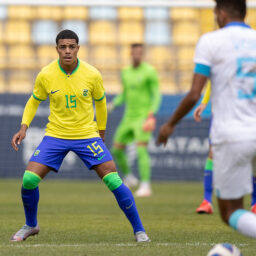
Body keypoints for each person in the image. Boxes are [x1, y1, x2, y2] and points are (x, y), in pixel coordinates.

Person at [10, 30, 150, 242]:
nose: (67, 51)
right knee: (29, 179)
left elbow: (101, 103)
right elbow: (33, 100)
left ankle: (139, 231)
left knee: (113, 180)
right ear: (57, 48)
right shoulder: (46, 74)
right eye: (63, 47)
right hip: (56, 134)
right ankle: (31, 224)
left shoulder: (91, 74)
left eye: (71, 47)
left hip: (86, 135)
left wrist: (100, 133)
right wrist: (24, 126)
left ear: (78, 48)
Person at [157, 0, 256, 238]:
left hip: (232, 136)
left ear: (220, 14)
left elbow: (194, 93)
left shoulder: (210, 41)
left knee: (230, 211)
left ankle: (208, 201)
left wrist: (170, 124)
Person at [195, 83, 256, 214]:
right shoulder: (221, 63)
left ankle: (254, 203)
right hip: (221, 114)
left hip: (246, 113)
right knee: (212, 153)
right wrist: (204, 103)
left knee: (252, 154)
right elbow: (212, 81)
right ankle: (207, 201)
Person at [109, 44, 161, 197]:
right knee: (116, 149)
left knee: (141, 149)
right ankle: (130, 177)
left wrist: (151, 115)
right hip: (128, 117)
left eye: (140, 53)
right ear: (130, 54)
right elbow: (124, 94)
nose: (137, 55)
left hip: (143, 116)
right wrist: (113, 104)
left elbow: (156, 95)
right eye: (134, 53)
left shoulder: (149, 71)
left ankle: (146, 185)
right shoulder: (125, 72)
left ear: (142, 54)